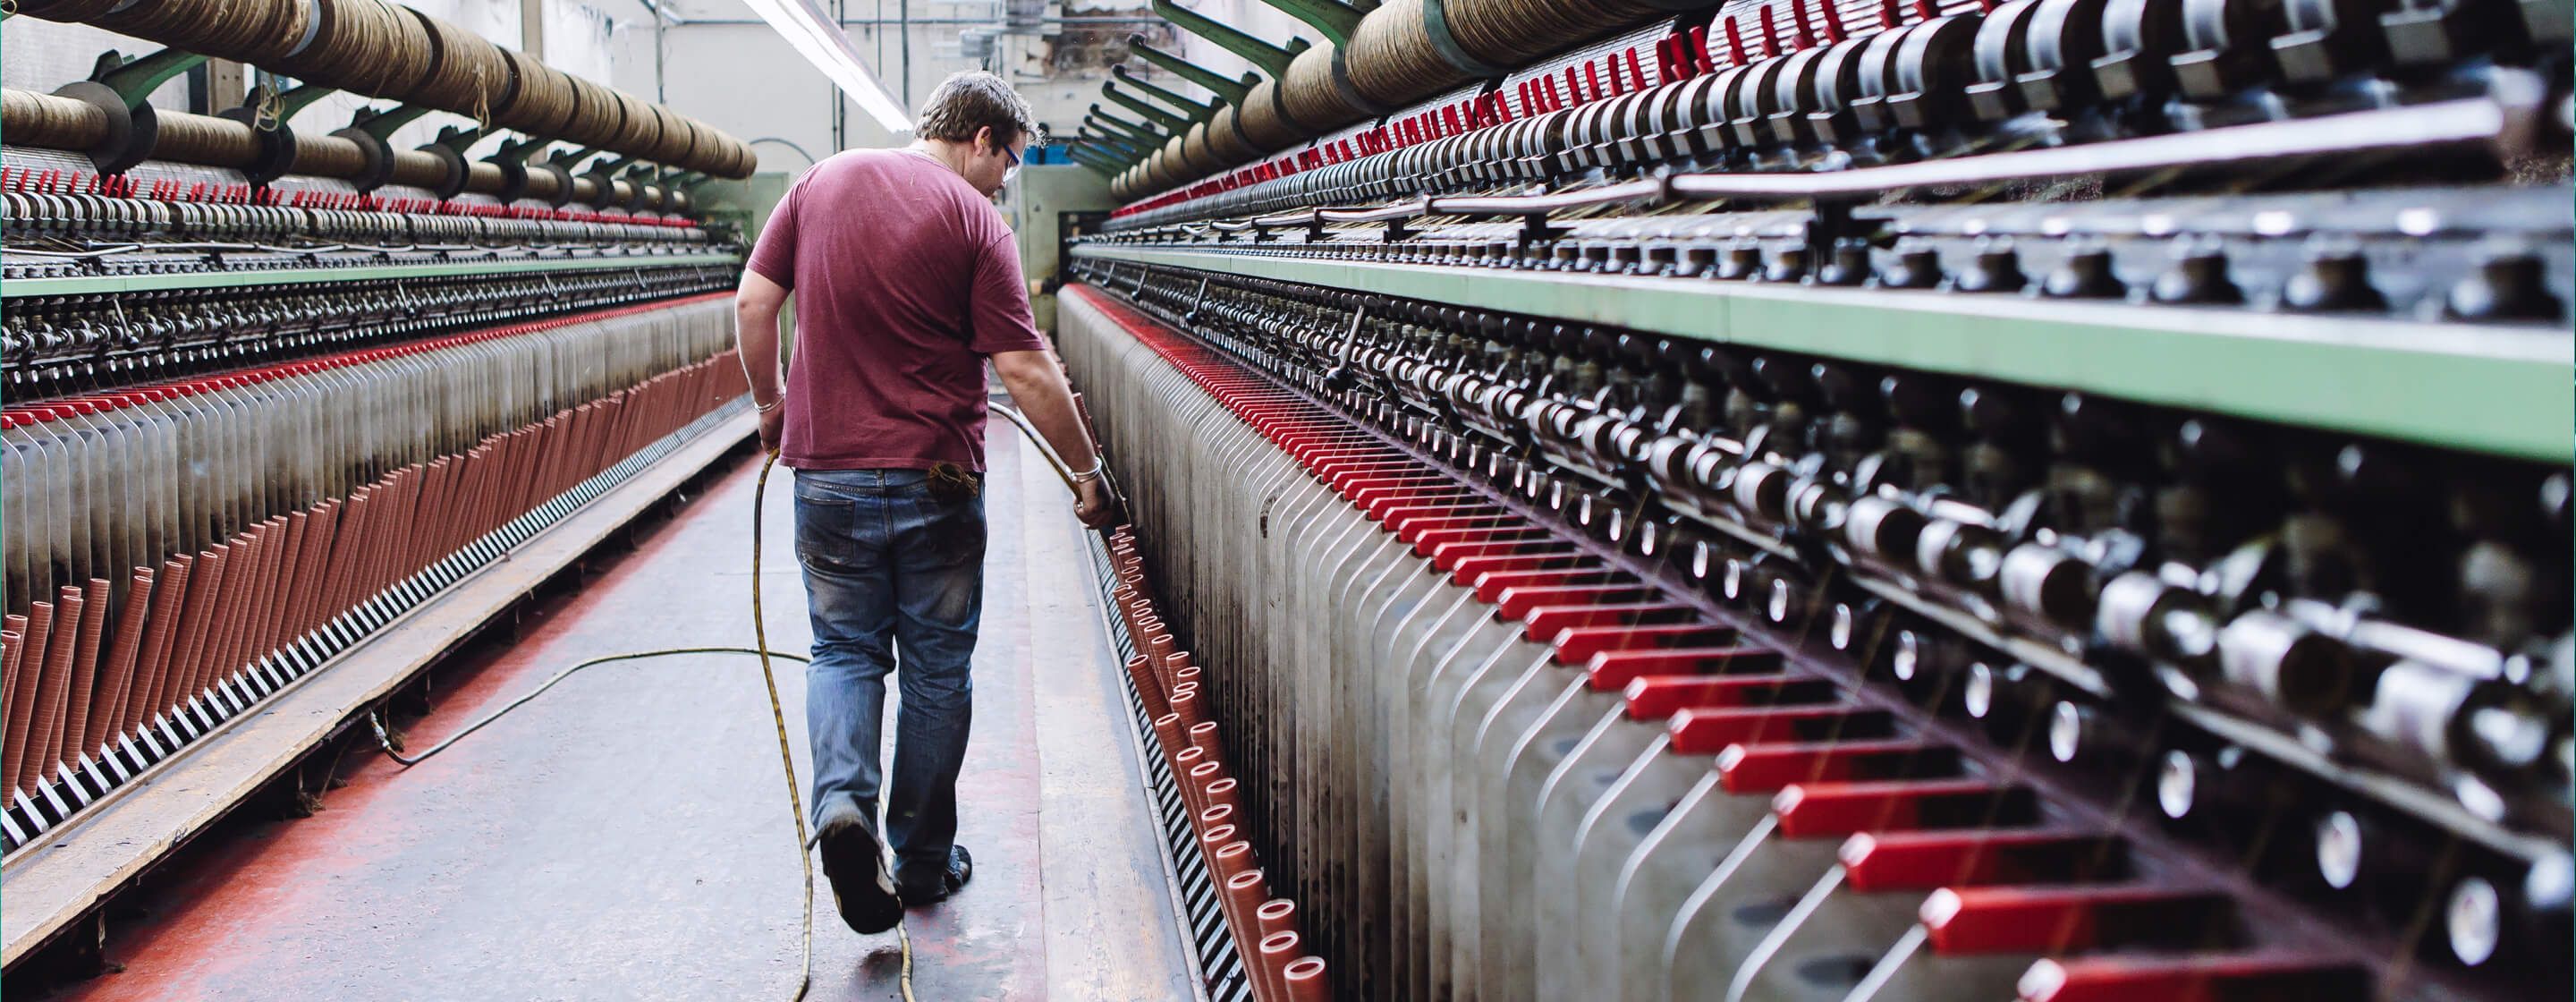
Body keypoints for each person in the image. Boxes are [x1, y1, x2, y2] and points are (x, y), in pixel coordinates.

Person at [732, 71, 1121, 935]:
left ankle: (842, 809)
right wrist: (1089, 474)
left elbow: (756, 303)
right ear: (981, 138)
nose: (1007, 182)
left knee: (841, 652)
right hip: (936, 481)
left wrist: (771, 408)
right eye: (1010, 163)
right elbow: (1022, 368)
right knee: (937, 675)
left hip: (825, 477)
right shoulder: (976, 223)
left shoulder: (819, 182)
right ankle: (917, 860)